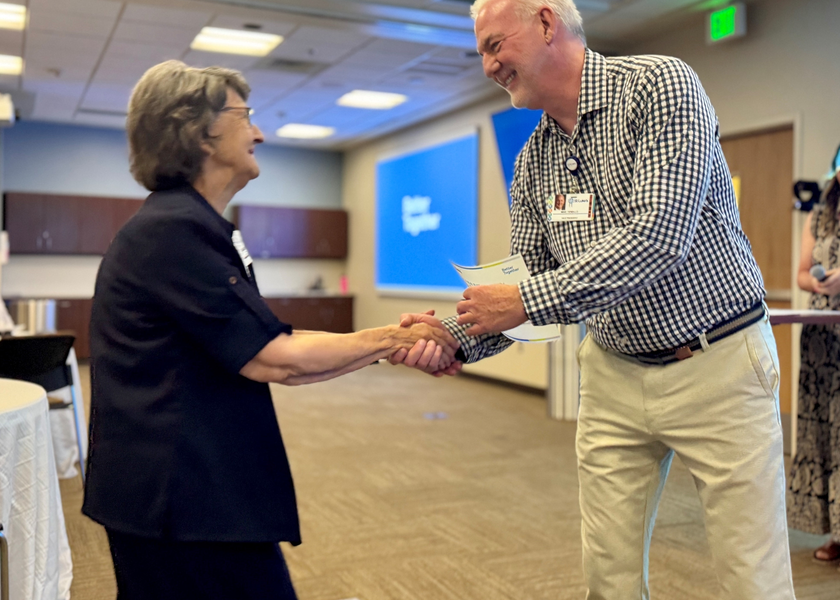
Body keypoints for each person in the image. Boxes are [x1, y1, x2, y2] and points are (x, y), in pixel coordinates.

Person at [393, 1, 797, 598]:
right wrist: (455, 338)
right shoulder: (532, 160)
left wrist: (526, 300)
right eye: (481, 52)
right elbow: (528, 283)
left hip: (719, 364)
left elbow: (658, 238)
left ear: (547, 23)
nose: (487, 66)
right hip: (612, 375)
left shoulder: (661, 87)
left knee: (751, 579)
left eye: (494, 45)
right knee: (606, 578)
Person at [82, 60, 458, 600]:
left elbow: (267, 342)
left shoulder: (192, 225)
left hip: (193, 491)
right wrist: (392, 341)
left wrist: (385, 344)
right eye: (245, 116)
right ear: (199, 131)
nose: (258, 131)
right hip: (177, 500)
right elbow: (275, 359)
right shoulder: (173, 232)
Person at [787, 144, 840, 567]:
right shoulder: (820, 213)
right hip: (822, 340)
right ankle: (834, 532)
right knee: (822, 434)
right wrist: (818, 284)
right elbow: (802, 272)